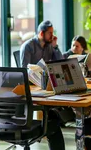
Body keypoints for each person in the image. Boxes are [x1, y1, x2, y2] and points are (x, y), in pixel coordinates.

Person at [19, 20, 65, 150]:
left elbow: (60, 63)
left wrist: (55, 47)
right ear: (41, 33)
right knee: (54, 124)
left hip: (45, 88)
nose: (52, 36)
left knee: (55, 115)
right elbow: (23, 71)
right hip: (31, 89)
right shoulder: (28, 46)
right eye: (50, 33)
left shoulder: (49, 46)